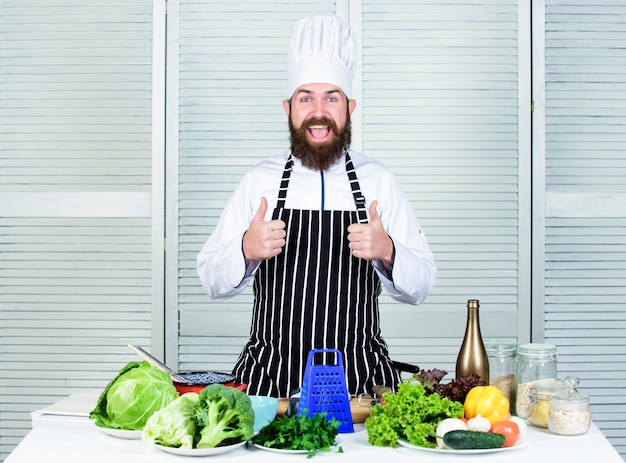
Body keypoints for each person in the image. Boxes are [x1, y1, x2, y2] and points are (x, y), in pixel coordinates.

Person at [197, 14, 436, 398]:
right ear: (288, 107)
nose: (318, 111)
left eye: (331, 98)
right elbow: (210, 278)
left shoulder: (378, 181)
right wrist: (246, 248)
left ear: (350, 107)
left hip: (359, 384)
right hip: (269, 384)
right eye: (306, 98)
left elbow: (422, 284)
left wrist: (388, 251)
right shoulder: (260, 181)